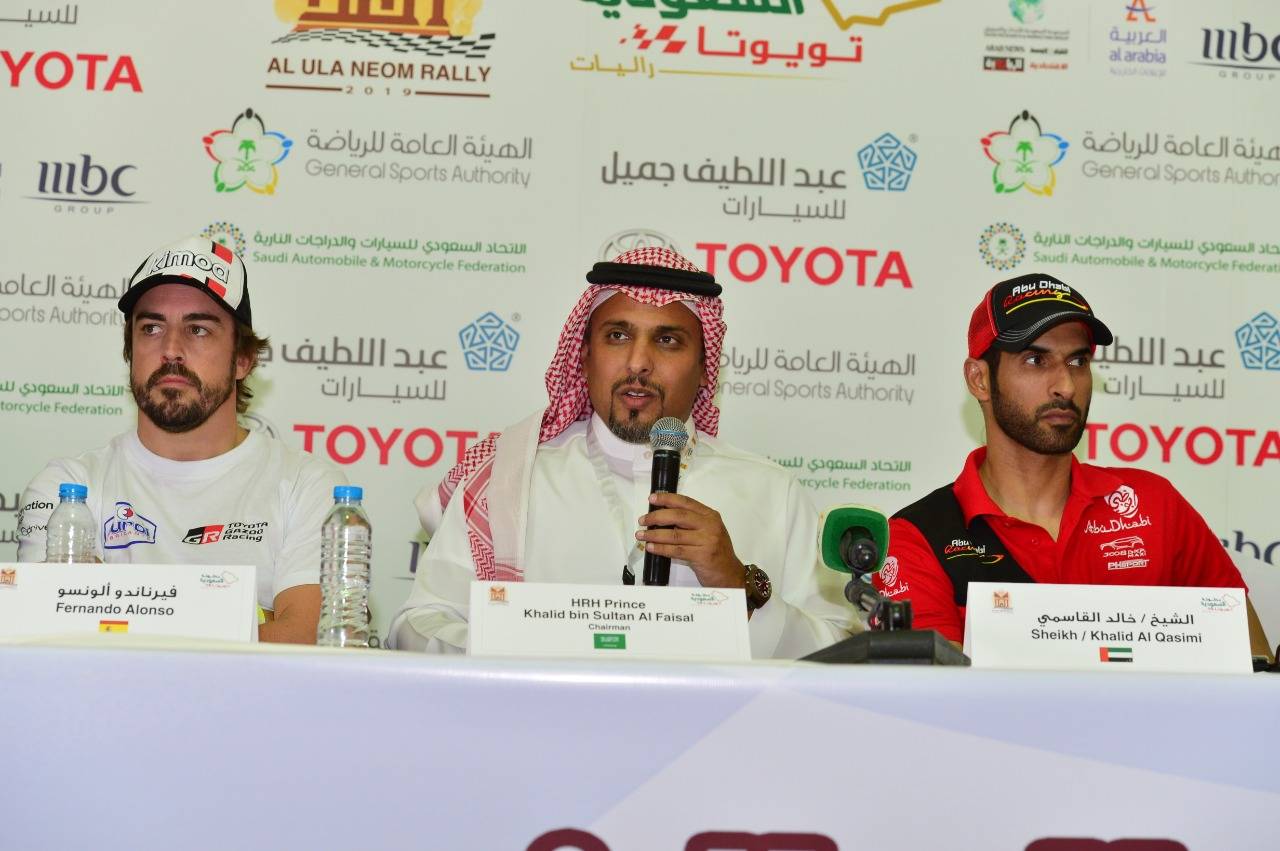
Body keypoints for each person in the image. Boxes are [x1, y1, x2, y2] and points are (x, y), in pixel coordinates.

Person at [389, 247, 853, 657]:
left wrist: (736, 585)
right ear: (585, 353)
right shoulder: (509, 479)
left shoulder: (770, 491)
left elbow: (836, 653)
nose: (638, 363)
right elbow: (416, 625)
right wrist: (517, 652)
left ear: (704, 365)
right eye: (617, 336)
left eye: (668, 340)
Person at [875, 273, 1272, 658]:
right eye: (1035, 360)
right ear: (979, 380)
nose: (1066, 386)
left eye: (1078, 362)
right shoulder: (918, 538)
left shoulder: (1154, 506)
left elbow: (1252, 664)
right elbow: (927, 705)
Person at [17, 236, 345, 643]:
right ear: (130, 351)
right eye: (151, 328)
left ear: (243, 359)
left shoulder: (308, 486)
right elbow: (58, 631)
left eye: (199, 329)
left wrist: (121, 612)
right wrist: (251, 623)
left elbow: (307, 640)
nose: (171, 349)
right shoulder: (68, 490)